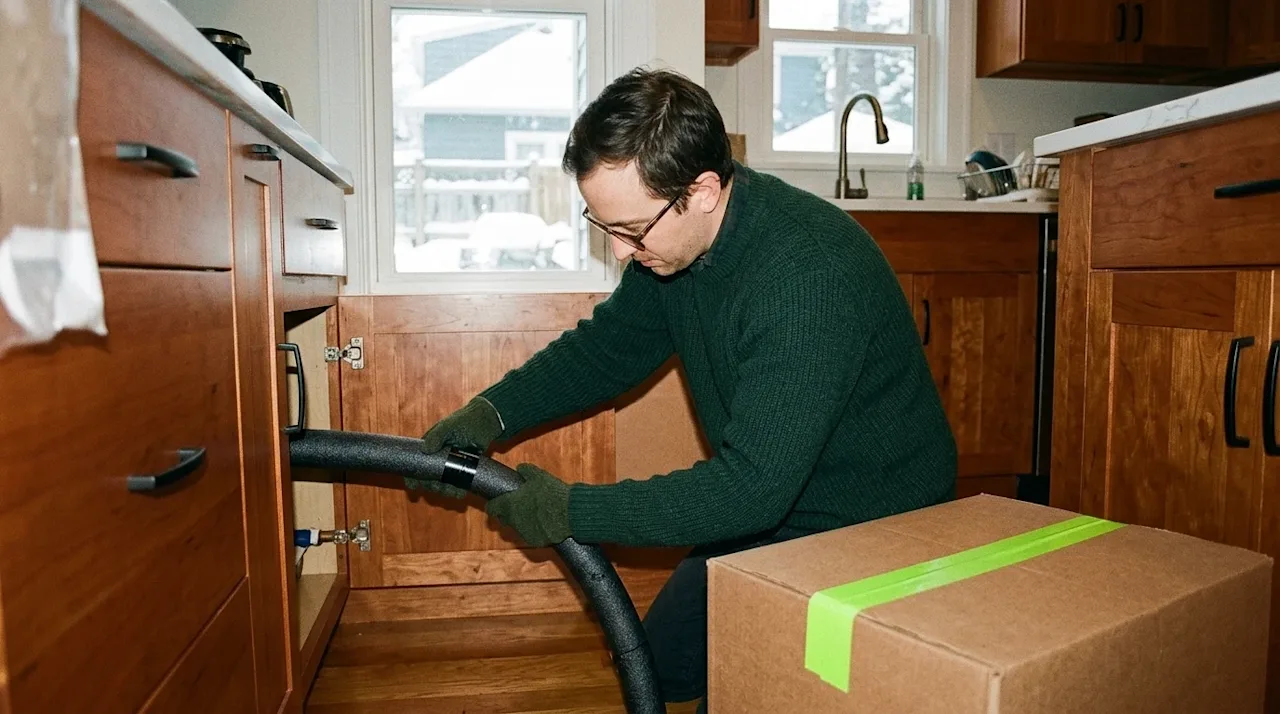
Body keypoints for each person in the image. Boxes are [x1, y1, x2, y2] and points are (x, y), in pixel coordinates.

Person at [409, 67, 957, 711]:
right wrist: (488, 414)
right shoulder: (674, 246)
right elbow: (609, 347)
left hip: (872, 525)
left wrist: (568, 511)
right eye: (604, 225)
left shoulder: (807, 276)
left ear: (701, 190)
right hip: (780, 506)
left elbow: (747, 490)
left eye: (632, 230)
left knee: (759, 685)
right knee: (661, 667)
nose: (619, 253)